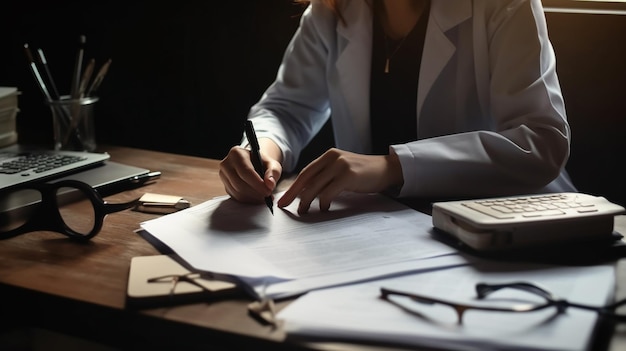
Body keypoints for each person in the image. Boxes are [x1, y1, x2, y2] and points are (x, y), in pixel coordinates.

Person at [219, 0, 576, 215]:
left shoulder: (502, 5)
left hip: (510, 225)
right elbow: (286, 108)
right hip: (383, 227)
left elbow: (541, 142)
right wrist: (261, 150)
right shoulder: (334, 9)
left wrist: (391, 167)